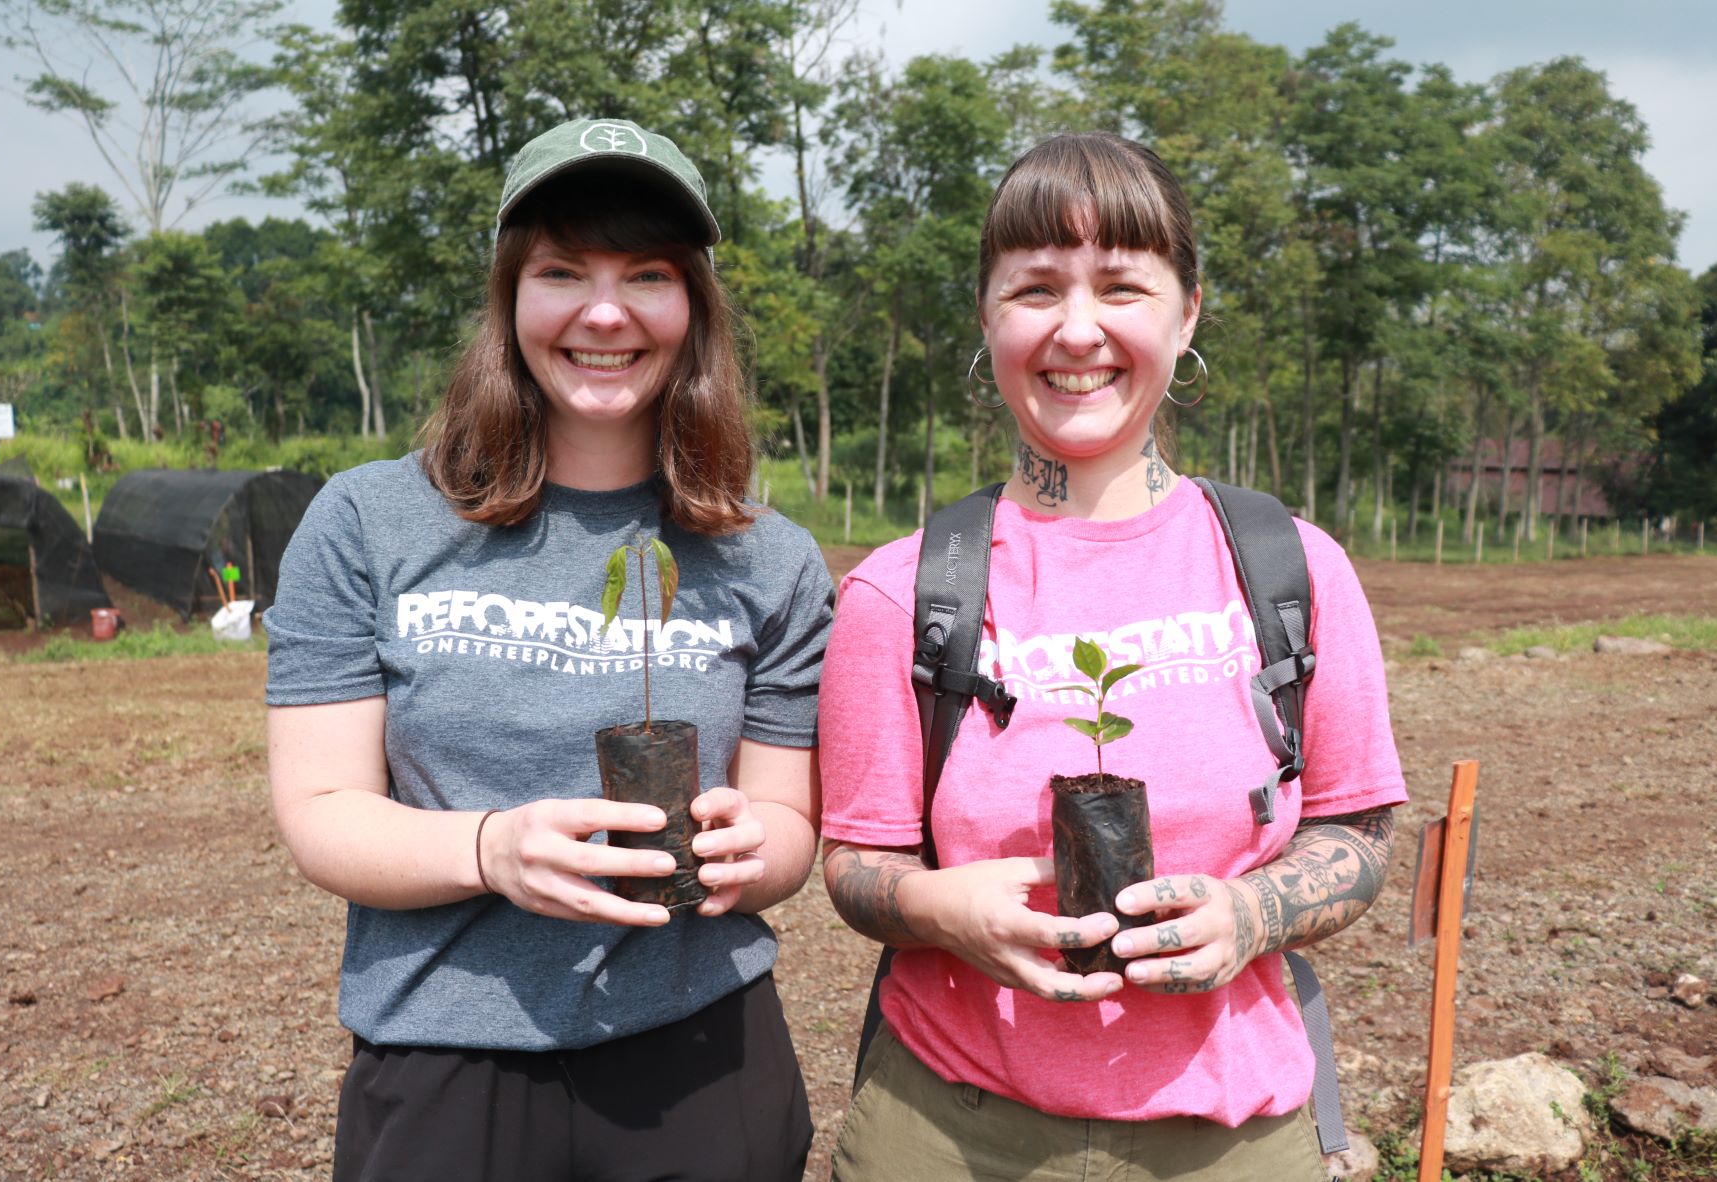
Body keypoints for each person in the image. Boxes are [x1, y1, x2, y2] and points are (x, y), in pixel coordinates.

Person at [818, 132, 1408, 1180]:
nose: (1077, 329)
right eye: (1035, 288)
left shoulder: (1291, 568)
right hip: (948, 1134)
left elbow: (1356, 832)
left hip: (1230, 1138)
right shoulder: (901, 589)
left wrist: (1252, 913)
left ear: (1187, 317)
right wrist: (934, 910)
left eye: (1122, 287)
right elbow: (859, 863)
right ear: (988, 321)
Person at [264, 118, 832, 1182]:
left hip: (703, 1058)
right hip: (445, 1060)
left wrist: (759, 852)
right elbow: (320, 813)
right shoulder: (371, 522)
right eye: (563, 270)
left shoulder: (775, 561)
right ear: (511, 299)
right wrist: (492, 852)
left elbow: (791, 823)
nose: (604, 312)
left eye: (647, 275)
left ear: (693, 306)